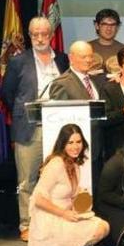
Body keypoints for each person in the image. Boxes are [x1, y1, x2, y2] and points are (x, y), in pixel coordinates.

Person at [1, 16, 69, 242]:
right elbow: (7, 94)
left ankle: (54, 222)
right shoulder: (18, 61)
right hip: (29, 128)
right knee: (27, 180)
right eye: (35, 34)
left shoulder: (62, 59)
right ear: (29, 36)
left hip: (59, 128)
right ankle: (26, 224)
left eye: (44, 34)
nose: (40, 38)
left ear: (51, 35)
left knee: (58, 178)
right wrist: (24, 113)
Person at [27, 124, 110, 246]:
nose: (75, 147)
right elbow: (38, 199)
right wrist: (63, 213)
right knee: (99, 229)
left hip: (67, 214)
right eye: (70, 143)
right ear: (63, 144)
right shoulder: (56, 164)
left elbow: (70, 195)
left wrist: (80, 199)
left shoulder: (74, 164)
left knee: (103, 227)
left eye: (78, 142)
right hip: (50, 218)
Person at [49, 40, 108, 186]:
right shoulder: (62, 83)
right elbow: (61, 122)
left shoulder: (94, 81)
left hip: (97, 148)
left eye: (90, 56)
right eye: (83, 57)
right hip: (76, 152)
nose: (88, 60)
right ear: (71, 58)